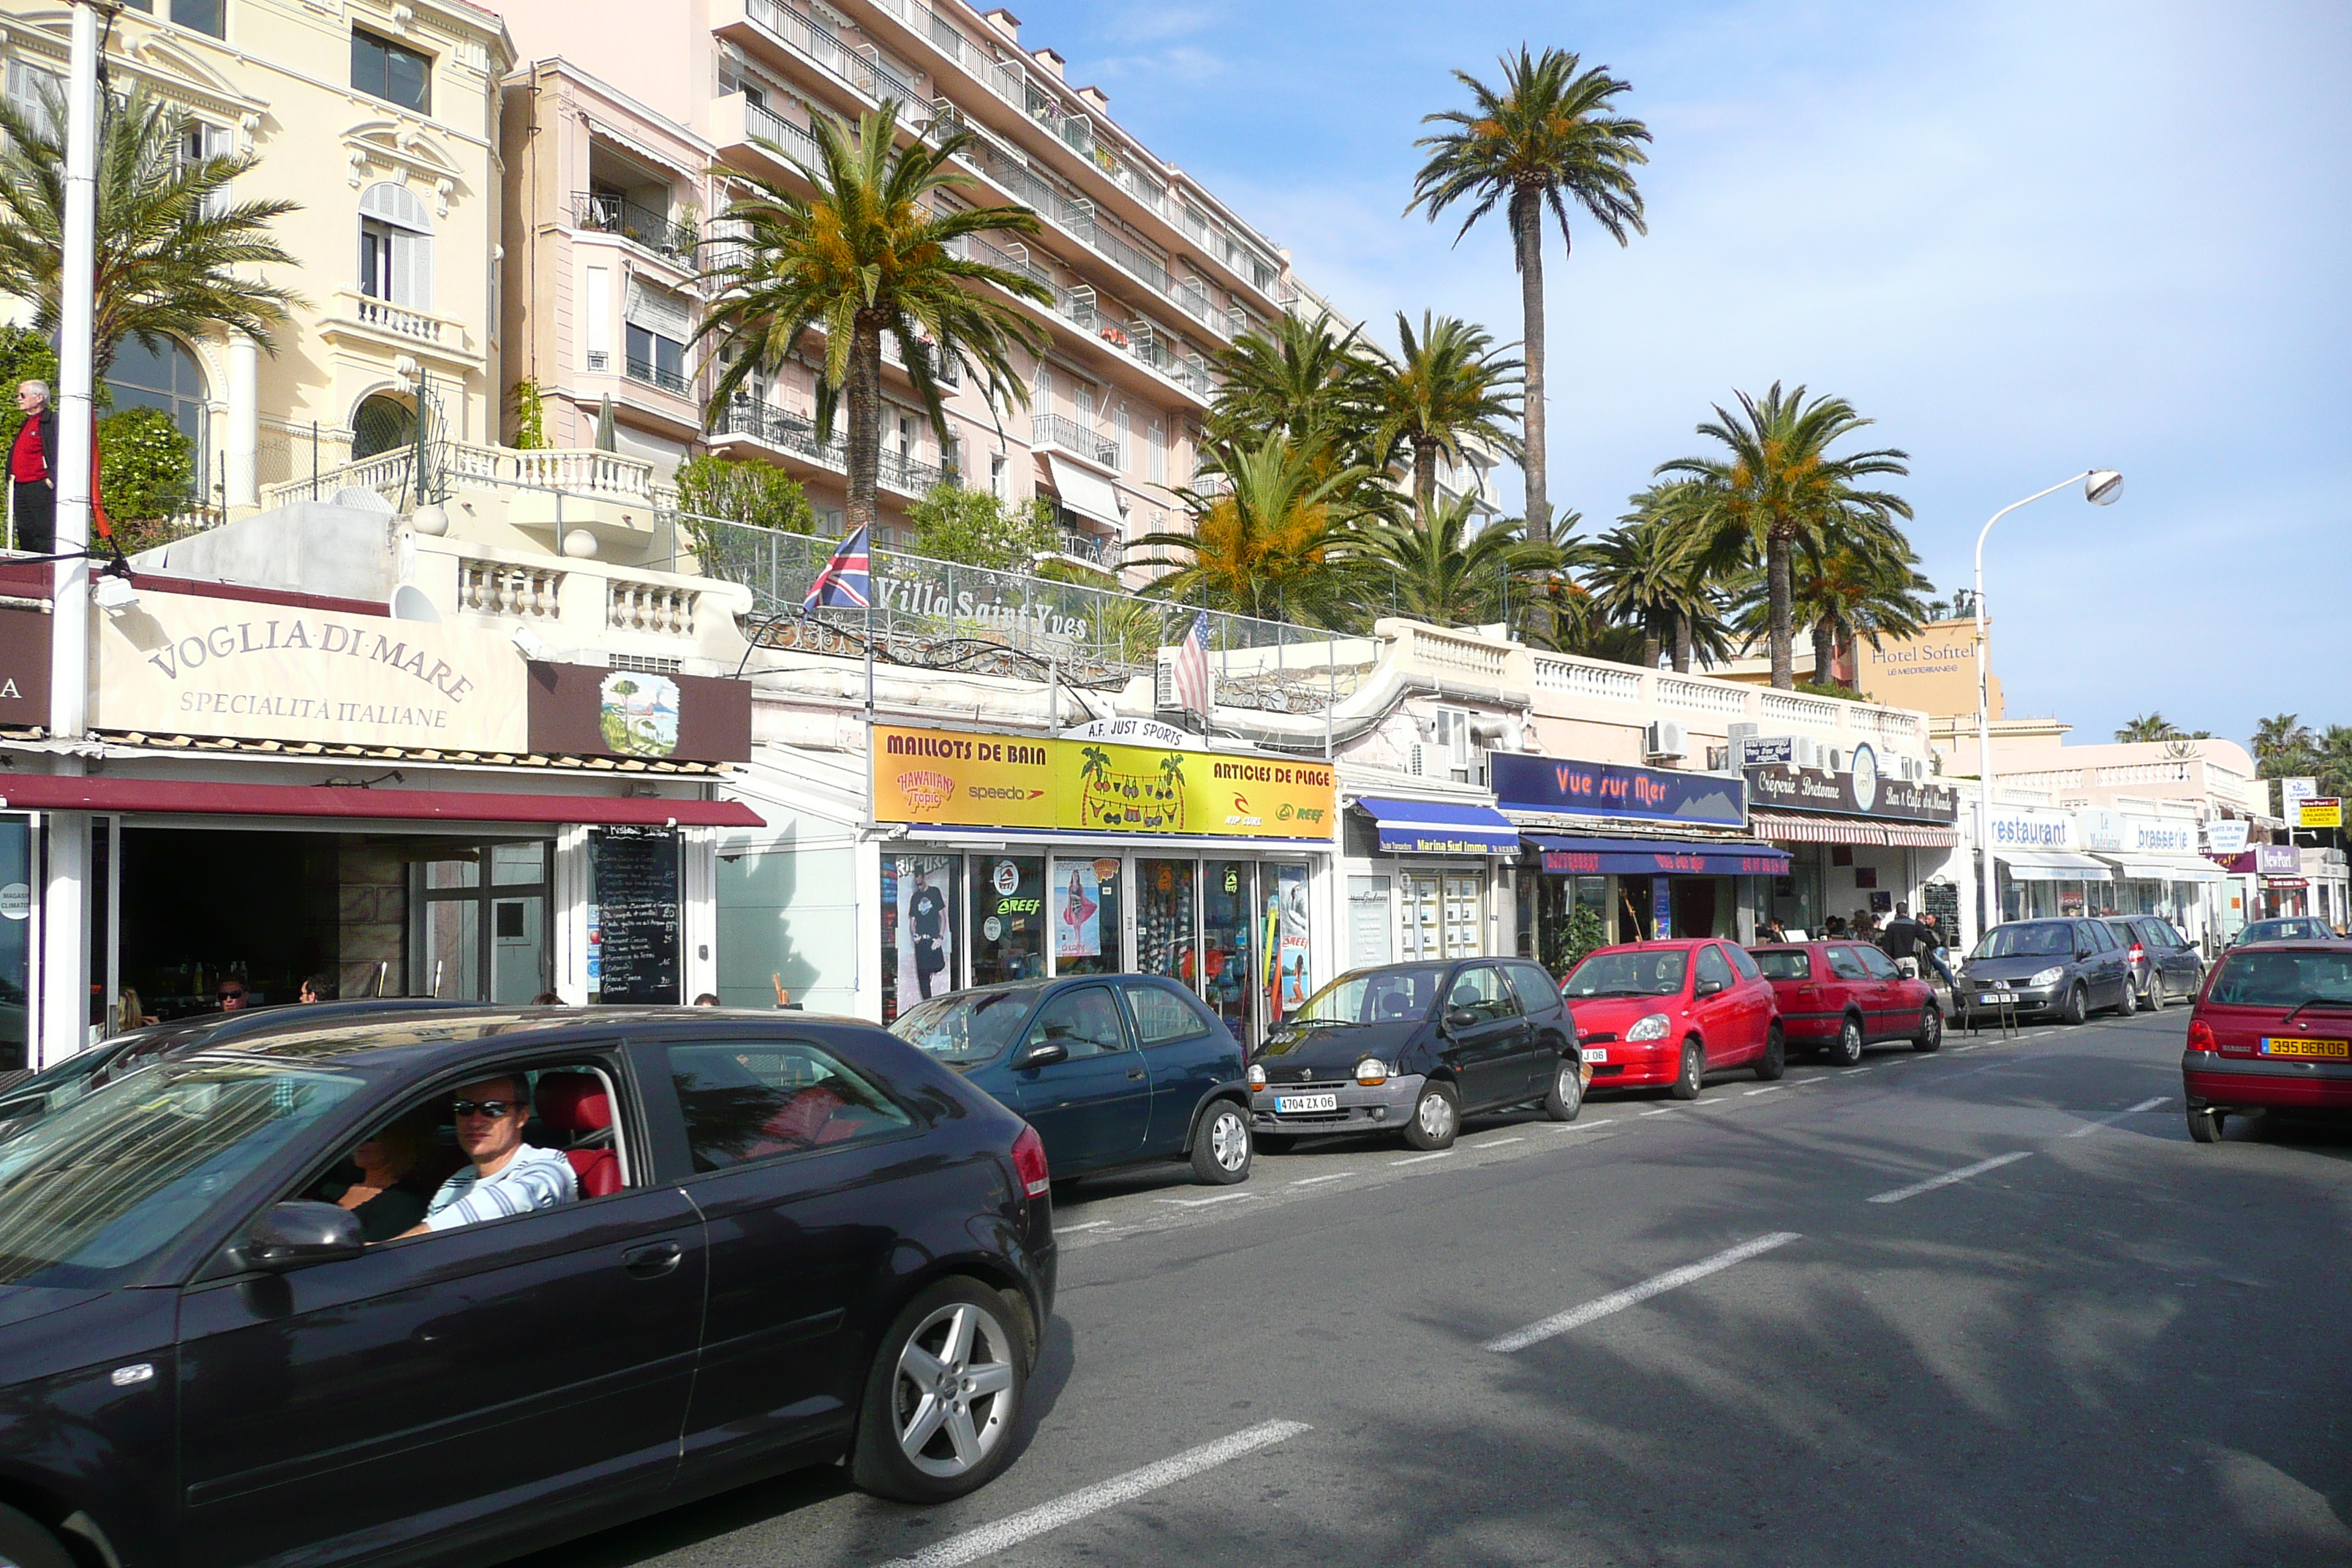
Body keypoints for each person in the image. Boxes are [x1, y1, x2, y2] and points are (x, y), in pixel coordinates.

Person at [399, 1074, 576, 1237]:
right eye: (464, 1108)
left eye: (493, 1109)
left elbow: (521, 1196)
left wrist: (389, 1249)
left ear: (522, 1117)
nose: (475, 1121)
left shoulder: (549, 1164)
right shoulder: (456, 1182)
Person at [319, 1109, 434, 1243]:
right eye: (357, 1135)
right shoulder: (330, 1185)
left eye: (371, 1136)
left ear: (401, 1141)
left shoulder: (401, 1204)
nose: (361, 1142)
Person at [9, 381, 56, 555]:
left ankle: (47, 570)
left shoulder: (50, 422)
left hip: (40, 486)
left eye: (23, 395)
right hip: (21, 486)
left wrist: (51, 480)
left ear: (39, 397)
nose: (19, 399)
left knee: (43, 532)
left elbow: (61, 450)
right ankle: (31, 567)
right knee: (25, 532)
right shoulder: (27, 422)